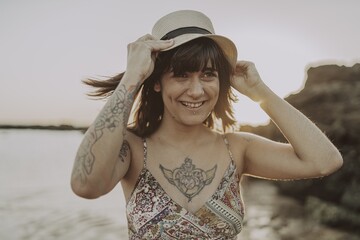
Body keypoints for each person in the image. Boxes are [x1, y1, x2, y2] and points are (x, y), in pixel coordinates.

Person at [71, 10, 343, 239]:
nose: (196, 90)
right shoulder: (131, 148)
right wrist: (132, 77)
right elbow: (86, 185)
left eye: (208, 75)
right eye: (181, 75)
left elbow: (324, 161)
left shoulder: (237, 148)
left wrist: (260, 91)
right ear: (156, 81)